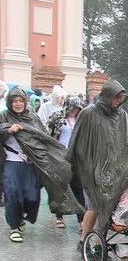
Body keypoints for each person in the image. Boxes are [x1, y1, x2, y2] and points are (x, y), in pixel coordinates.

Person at [66, 79, 128, 253]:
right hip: (93, 169)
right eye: (115, 96)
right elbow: (76, 142)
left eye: (121, 97)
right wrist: (80, 165)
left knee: (109, 207)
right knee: (94, 207)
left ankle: (97, 244)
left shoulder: (122, 116)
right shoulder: (89, 114)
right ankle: (83, 241)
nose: (118, 100)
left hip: (115, 170)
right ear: (107, 95)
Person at [2, 87, 82, 243]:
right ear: (9, 102)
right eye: (14, 101)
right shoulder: (4, 116)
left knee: (32, 196)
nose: (18, 104)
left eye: (20, 101)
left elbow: (43, 135)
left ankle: (21, 218)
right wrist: (7, 130)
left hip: (31, 162)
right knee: (12, 194)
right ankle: (14, 226)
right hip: (11, 161)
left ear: (25, 102)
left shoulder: (32, 117)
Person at [47, 95, 86, 230]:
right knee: (60, 188)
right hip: (60, 156)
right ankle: (59, 216)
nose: (74, 110)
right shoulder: (57, 117)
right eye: (73, 107)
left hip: (76, 158)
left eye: (77, 108)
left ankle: (81, 219)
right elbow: (49, 135)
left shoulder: (81, 119)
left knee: (78, 188)